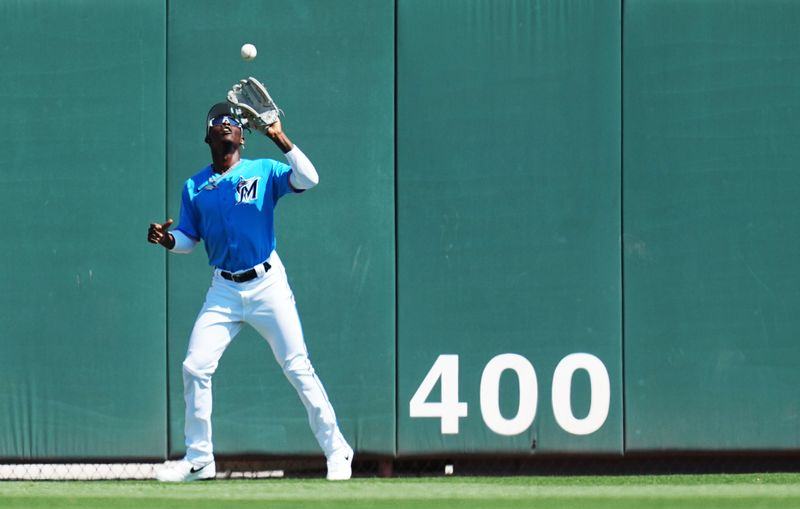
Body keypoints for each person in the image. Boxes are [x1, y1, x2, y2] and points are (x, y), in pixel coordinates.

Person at [147, 102, 353, 482]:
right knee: (195, 366)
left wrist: (278, 136)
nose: (224, 126)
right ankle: (199, 460)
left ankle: (338, 450)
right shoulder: (195, 186)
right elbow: (189, 240)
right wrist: (167, 240)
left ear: (242, 136)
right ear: (207, 137)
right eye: (217, 123)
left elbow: (309, 178)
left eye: (232, 122)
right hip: (223, 289)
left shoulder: (264, 171)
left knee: (297, 366)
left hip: (267, 284)